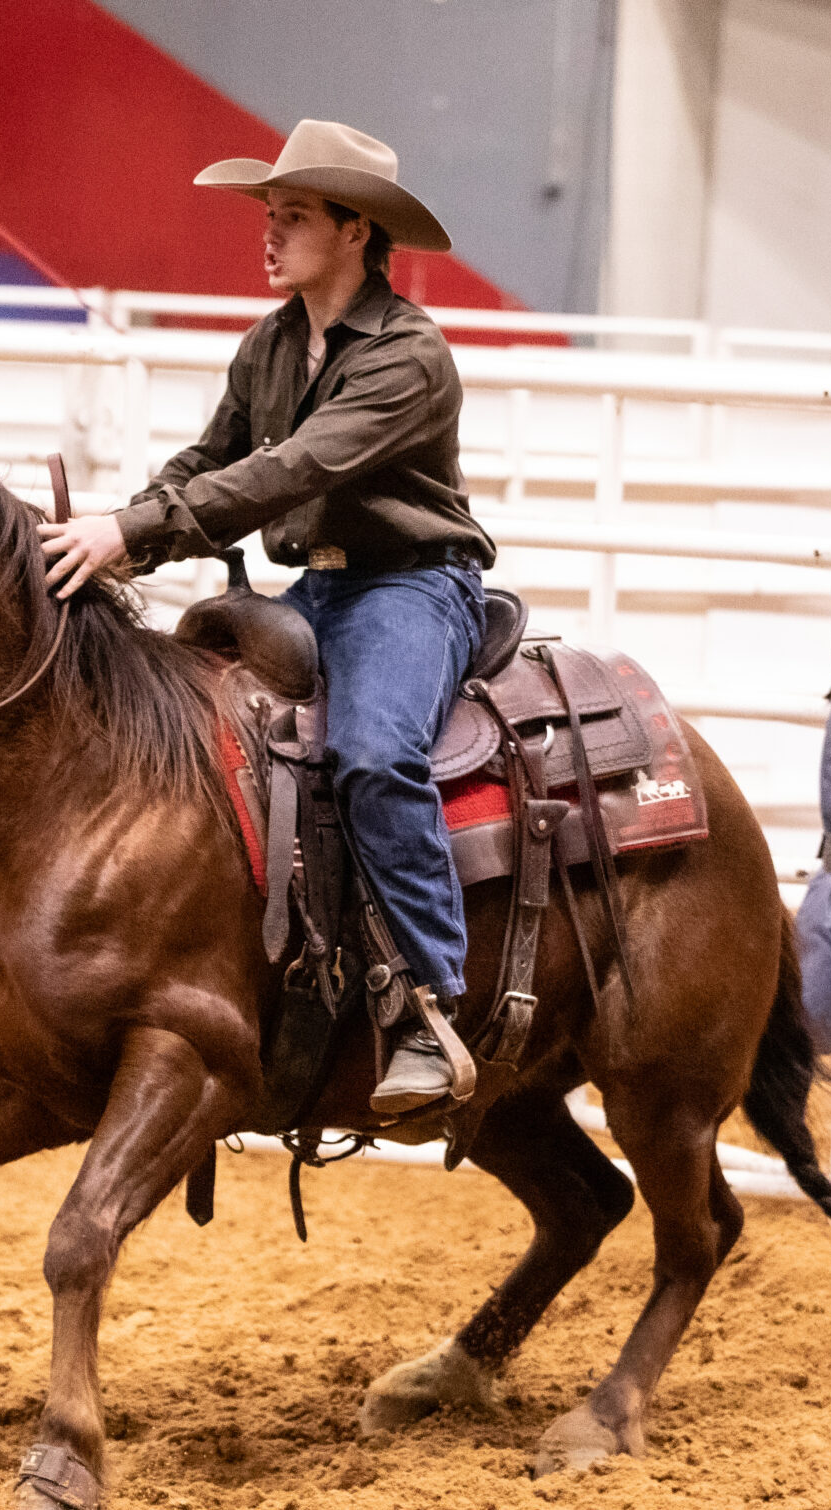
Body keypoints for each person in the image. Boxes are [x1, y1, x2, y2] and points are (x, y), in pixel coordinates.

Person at [39, 120, 494, 1115]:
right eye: (270, 215)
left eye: (292, 216)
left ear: (355, 229)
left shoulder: (409, 356)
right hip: (316, 591)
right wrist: (118, 535)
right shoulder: (273, 343)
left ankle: (429, 1005)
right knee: (196, 744)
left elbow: (289, 469)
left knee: (374, 754)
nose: (269, 233)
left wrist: (129, 532)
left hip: (410, 587)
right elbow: (211, 461)